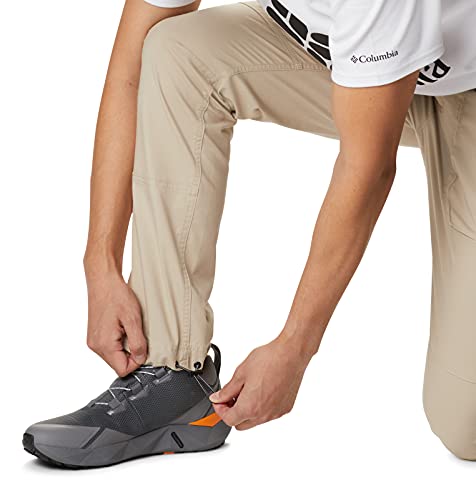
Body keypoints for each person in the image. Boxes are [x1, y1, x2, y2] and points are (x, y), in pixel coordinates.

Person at [23, 0, 476, 468]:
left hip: (466, 90)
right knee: (176, 49)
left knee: (465, 425)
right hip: (368, 72)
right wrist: (101, 263)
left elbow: (369, 166)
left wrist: (295, 346)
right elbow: (130, 72)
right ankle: (169, 376)